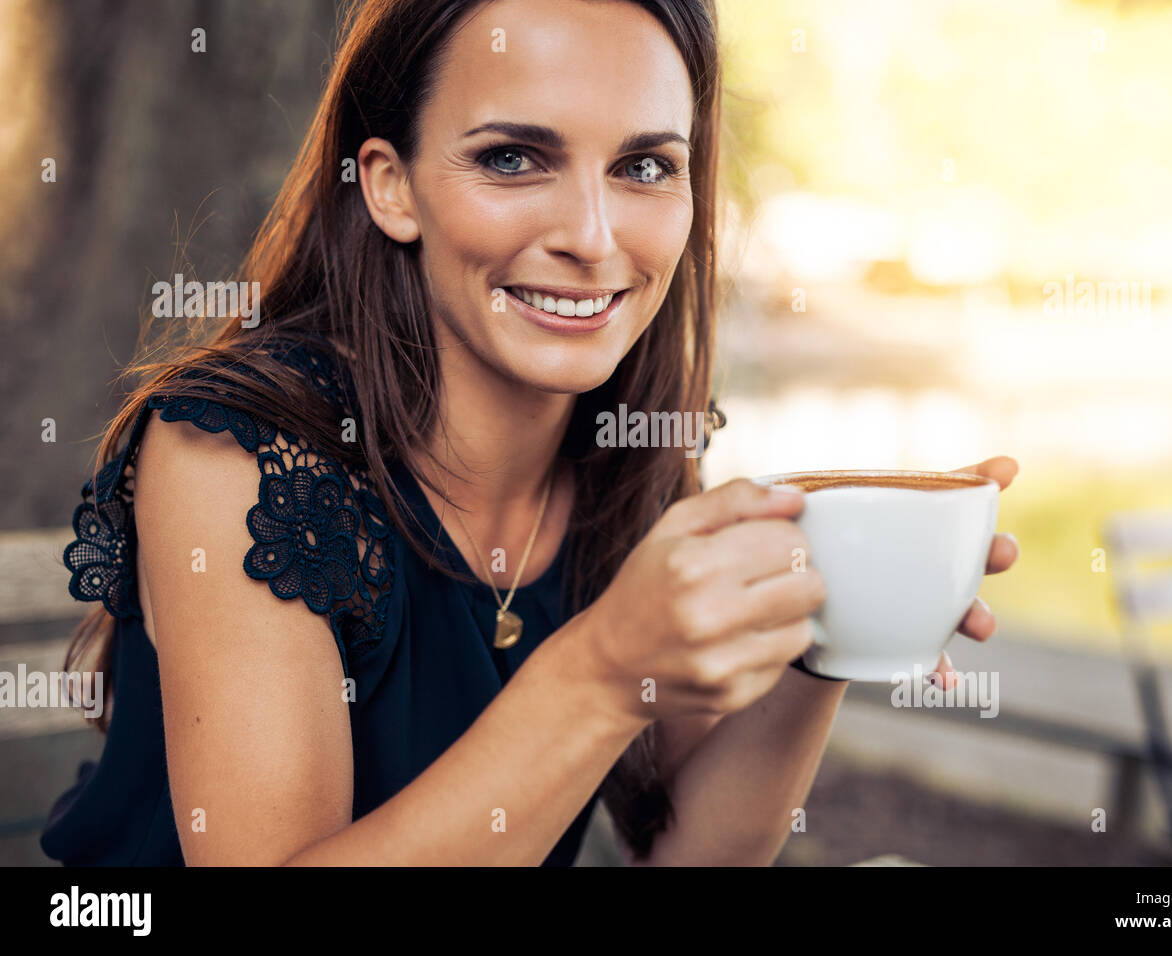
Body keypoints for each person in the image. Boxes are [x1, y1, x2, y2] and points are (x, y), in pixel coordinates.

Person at [42, 0, 1019, 866]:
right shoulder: (235, 455)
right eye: (513, 157)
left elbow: (692, 849)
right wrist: (599, 670)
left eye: (643, 165)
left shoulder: (630, 460)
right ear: (390, 186)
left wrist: (829, 628)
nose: (592, 237)